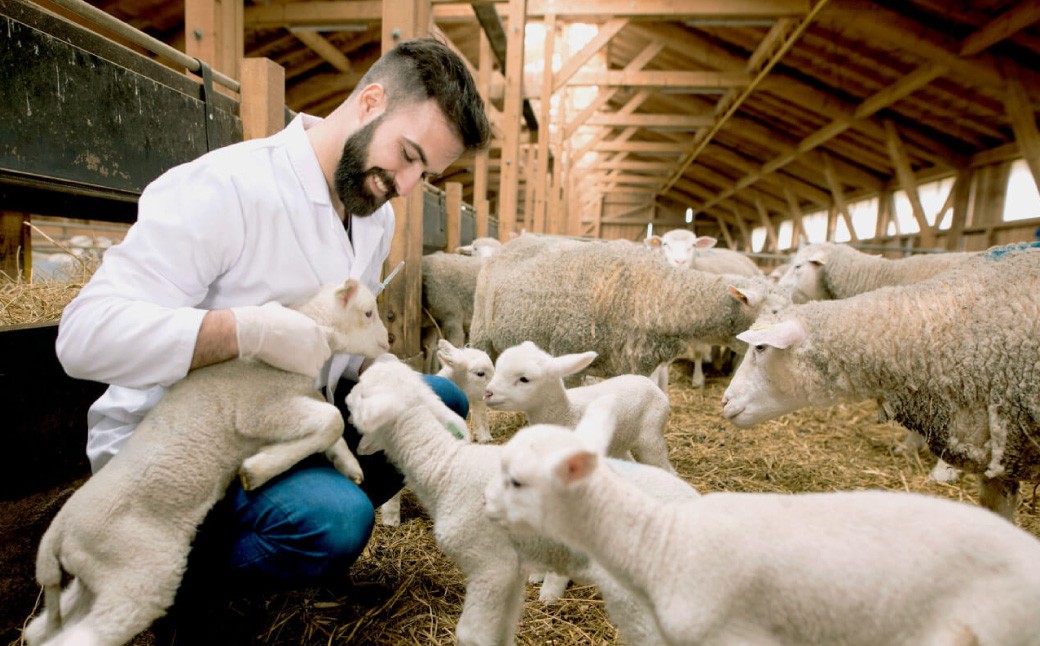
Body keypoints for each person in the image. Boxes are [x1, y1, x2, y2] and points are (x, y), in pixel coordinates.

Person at [55, 36, 492, 595]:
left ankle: (288, 539)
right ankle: (168, 585)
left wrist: (377, 372)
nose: (406, 187)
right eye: (408, 155)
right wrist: (246, 332)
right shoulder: (227, 187)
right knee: (335, 520)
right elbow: (84, 335)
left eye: (424, 174)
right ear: (369, 102)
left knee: (440, 403)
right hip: (180, 448)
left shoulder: (371, 215)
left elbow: (336, 350)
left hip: (283, 421)